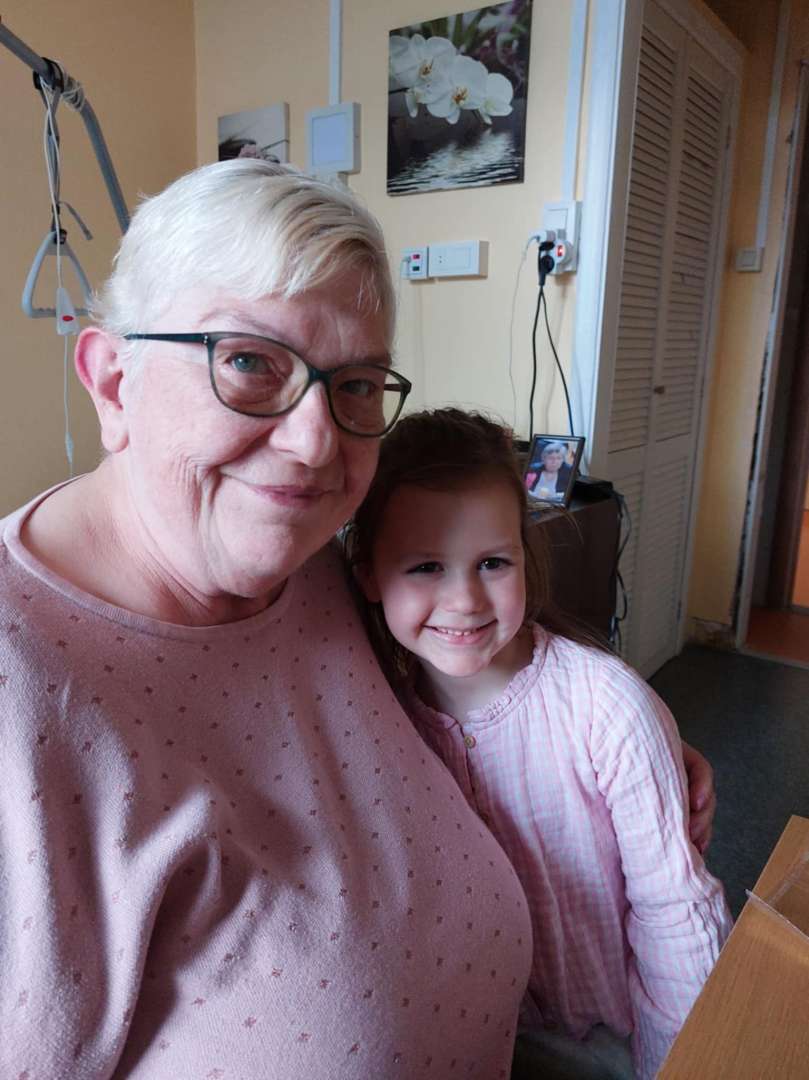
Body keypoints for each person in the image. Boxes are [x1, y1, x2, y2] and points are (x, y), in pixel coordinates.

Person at [0, 160, 714, 1080]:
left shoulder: (312, 562)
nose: (315, 444)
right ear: (111, 382)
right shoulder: (23, 703)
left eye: (357, 384)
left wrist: (621, 740)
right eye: (247, 362)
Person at [347, 408, 732, 1080]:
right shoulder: (378, 715)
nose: (465, 600)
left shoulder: (606, 708)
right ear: (368, 575)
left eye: (492, 563)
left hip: (622, 1032)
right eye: (426, 566)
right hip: (480, 1035)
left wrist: (679, 1064)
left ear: (526, 555)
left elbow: (674, 912)